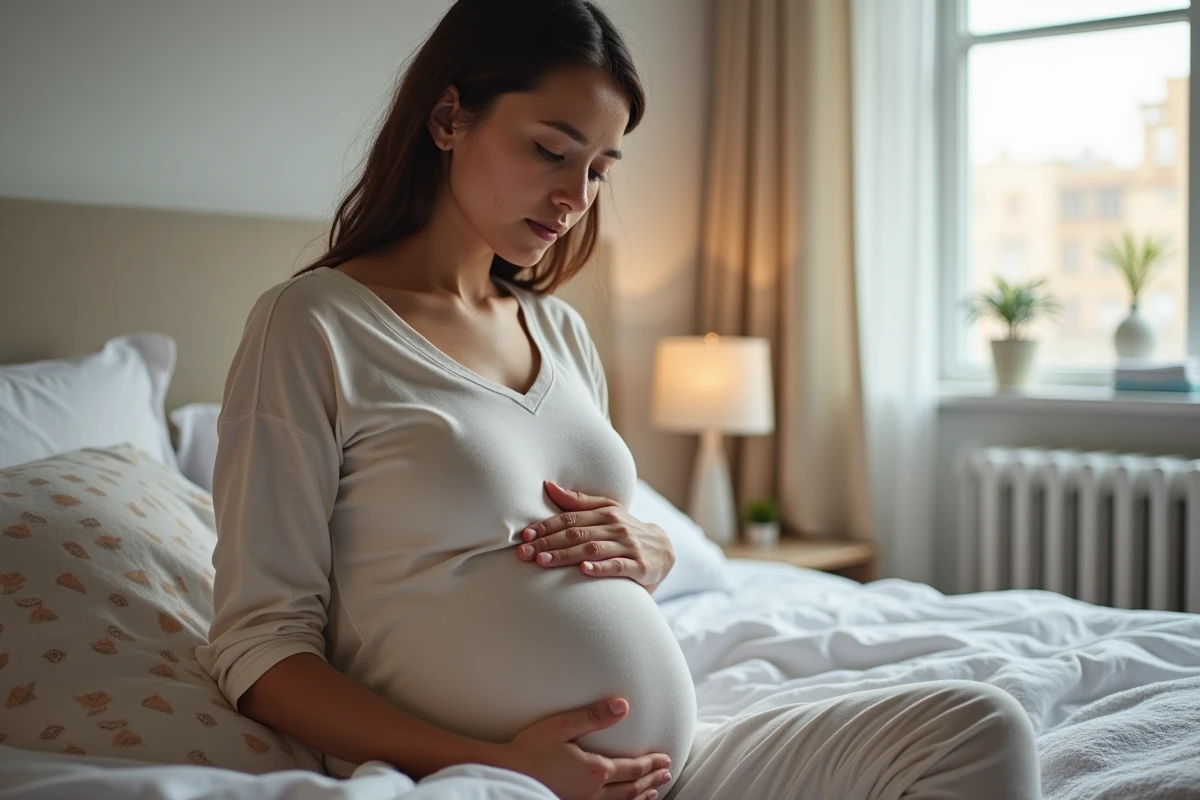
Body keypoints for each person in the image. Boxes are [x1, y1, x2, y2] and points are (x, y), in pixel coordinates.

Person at [198, 1, 1042, 799]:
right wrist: (500, 761)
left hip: (667, 764)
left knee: (978, 727)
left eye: (599, 169)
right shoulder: (312, 326)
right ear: (449, 117)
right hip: (484, 778)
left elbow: (596, 559)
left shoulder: (559, 331)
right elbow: (259, 651)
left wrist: (654, 552)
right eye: (550, 150)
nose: (575, 199)